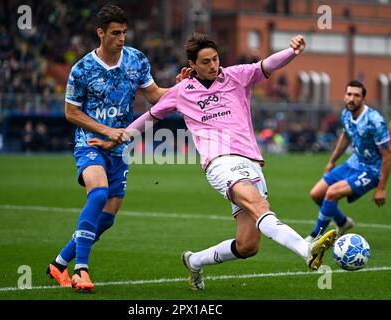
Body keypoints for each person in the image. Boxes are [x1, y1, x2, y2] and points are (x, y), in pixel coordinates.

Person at [89, 33, 337, 291]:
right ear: (192, 64)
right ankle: (305, 248)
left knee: (247, 245)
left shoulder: (236, 76)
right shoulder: (181, 91)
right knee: (258, 204)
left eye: (215, 59)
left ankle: (194, 261)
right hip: (220, 163)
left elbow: (267, 64)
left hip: (251, 162)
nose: (213, 65)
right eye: (205, 62)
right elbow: (149, 118)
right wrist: (117, 139)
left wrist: (292, 51)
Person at [46, 4, 176, 292]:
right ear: (100, 32)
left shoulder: (137, 60)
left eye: (124, 33)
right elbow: (71, 113)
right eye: (115, 33)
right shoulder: (82, 69)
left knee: (106, 219)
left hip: (120, 147)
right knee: (99, 193)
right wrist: (105, 130)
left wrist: (181, 87)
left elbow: (155, 95)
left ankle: (59, 263)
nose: (121, 38)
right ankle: (81, 269)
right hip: (90, 143)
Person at [305, 80, 391, 241]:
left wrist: (381, 188)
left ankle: (315, 238)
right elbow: (345, 136)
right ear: (345, 96)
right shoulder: (346, 113)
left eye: (356, 95)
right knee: (316, 194)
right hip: (353, 162)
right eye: (349, 94)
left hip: (371, 170)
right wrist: (332, 161)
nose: (352, 98)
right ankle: (343, 222)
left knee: (331, 193)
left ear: (363, 99)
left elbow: (388, 154)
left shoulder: (375, 121)